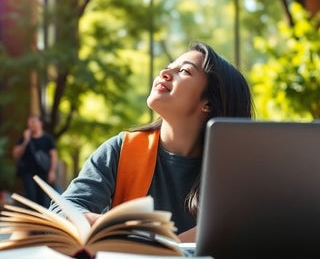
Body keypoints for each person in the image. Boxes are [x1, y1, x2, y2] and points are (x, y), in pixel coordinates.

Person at [50, 41, 253, 241]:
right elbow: (62, 209)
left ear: (207, 103)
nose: (165, 73)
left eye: (184, 71)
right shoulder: (122, 150)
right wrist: (120, 229)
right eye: (168, 66)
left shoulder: (233, 173)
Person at [13, 115, 58, 208]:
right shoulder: (25, 138)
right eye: (29, 122)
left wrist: (52, 171)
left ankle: (43, 220)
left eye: (33, 121)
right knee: (31, 197)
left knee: (44, 199)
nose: (31, 124)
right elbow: (16, 155)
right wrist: (26, 140)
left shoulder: (48, 138)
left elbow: (53, 155)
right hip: (28, 173)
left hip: (43, 173)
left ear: (40, 123)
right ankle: (32, 220)